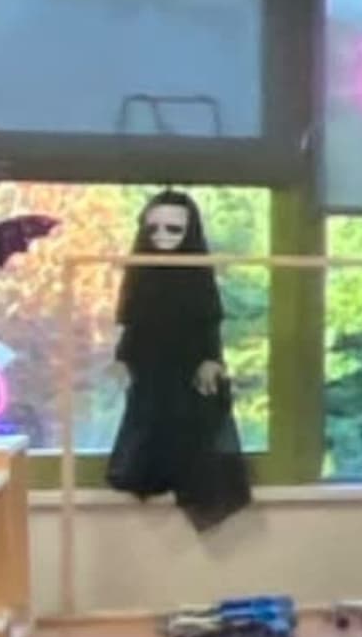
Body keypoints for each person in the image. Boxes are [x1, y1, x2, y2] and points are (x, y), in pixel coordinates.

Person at [104, 185, 254, 533]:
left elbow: (208, 318)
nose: (162, 236)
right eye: (153, 228)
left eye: (173, 229)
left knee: (192, 423)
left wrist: (211, 358)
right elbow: (134, 322)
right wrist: (123, 358)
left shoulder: (198, 271)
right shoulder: (140, 271)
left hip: (188, 368)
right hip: (150, 370)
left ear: (190, 231)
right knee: (148, 418)